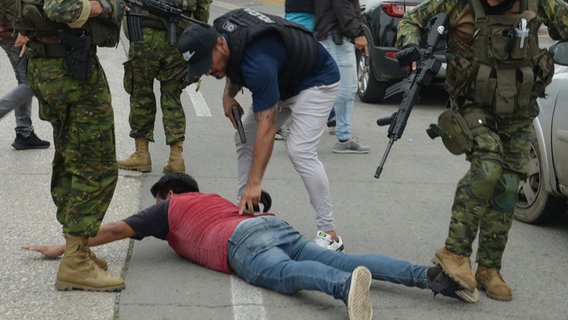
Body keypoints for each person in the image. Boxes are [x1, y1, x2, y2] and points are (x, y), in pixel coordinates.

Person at [23, 172, 477, 320]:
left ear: (165, 193)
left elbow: (114, 231)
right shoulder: (213, 197)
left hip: (239, 242)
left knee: (281, 275)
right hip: (272, 225)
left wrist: (62, 247)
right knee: (342, 257)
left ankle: (343, 289)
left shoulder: (167, 208)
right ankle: (433, 279)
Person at [395, 0, 568, 302]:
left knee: (509, 185)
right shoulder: (457, 3)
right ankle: (454, 252)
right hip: (473, 106)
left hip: (519, 107)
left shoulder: (539, 2)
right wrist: (409, 47)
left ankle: (489, 268)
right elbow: (412, 21)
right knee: (488, 167)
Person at [176, 8, 347, 251]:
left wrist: (255, 183)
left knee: (299, 150)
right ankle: (244, 211)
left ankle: (330, 234)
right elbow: (233, 64)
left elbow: (267, 127)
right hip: (283, 78)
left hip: (316, 80)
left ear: (220, 44)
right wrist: (228, 95)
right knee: (244, 138)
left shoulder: (257, 62)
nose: (206, 71)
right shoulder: (222, 30)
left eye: (206, 63)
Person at [13, 0, 125, 291]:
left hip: (49, 64)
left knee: (70, 155)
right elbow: (62, 7)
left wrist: (31, 32)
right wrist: (106, 8)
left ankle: (78, 246)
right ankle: (75, 262)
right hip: (69, 70)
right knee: (95, 166)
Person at [118, 0, 212, 173]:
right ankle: (176, 158)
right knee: (172, 96)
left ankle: (141, 154)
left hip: (144, 33)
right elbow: (203, 7)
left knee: (141, 94)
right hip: (179, 35)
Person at [313, 0, 371, 154]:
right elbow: (342, 4)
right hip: (337, 37)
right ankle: (343, 139)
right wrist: (357, 32)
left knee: (324, 88)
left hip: (329, 34)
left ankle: (297, 132)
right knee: (346, 89)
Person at [0, 16, 50, 150]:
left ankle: (24, 132)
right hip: (14, 34)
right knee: (30, 83)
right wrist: (23, 32)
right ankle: (23, 131)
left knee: (26, 81)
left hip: (11, 32)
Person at [274, 0, 316, 141]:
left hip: (291, 30)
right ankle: (292, 131)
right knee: (300, 86)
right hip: (304, 36)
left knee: (288, 82)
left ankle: (276, 125)